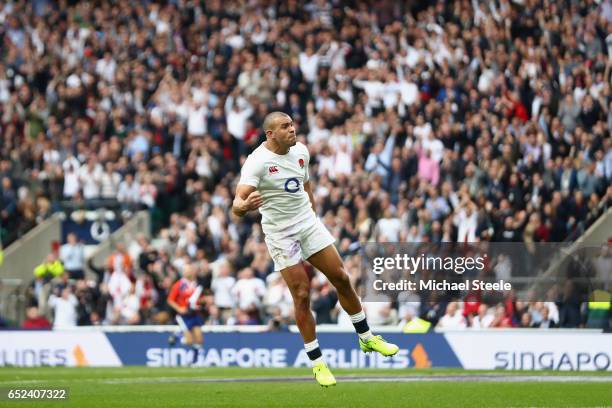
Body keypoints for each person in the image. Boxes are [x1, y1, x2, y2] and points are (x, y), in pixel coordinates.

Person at [232, 112, 398, 387]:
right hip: (280, 233)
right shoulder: (257, 162)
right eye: (285, 127)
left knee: (342, 278)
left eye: (292, 124)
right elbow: (237, 202)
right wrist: (243, 207)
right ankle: (318, 362)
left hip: (308, 223)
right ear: (270, 134)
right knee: (302, 293)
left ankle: (367, 338)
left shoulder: (301, 151)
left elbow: (305, 185)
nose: (292, 129)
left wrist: (314, 216)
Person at [167, 263, 204, 366]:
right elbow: (170, 300)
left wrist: (200, 304)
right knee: (189, 340)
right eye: (186, 270)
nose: (189, 272)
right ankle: (177, 336)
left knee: (199, 339)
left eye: (190, 270)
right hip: (184, 315)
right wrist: (179, 308)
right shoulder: (179, 285)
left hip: (195, 314)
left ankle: (194, 360)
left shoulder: (196, 284)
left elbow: (198, 299)